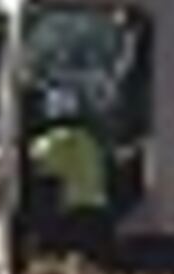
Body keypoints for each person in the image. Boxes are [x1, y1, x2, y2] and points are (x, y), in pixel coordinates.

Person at [26, 96, 117, 264]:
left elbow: (38, 171)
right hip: (99, 212)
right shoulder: (90, 140)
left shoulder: (49, 142)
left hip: (71, 214)